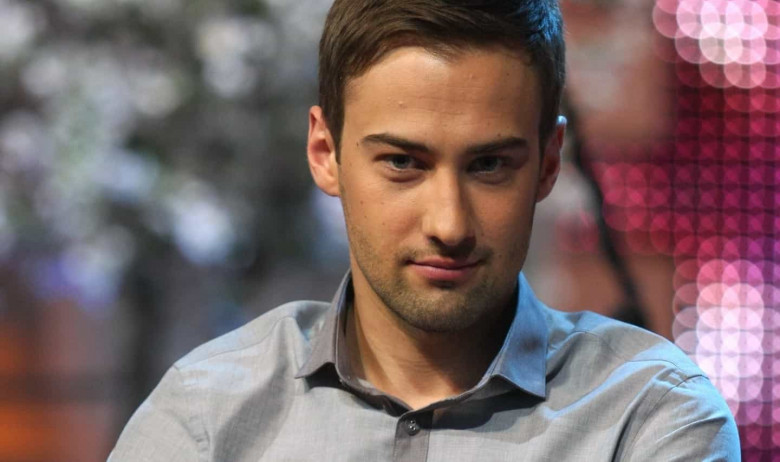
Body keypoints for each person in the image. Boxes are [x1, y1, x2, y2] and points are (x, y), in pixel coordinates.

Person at [109, 0, 741, 460]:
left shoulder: (650, 415)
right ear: (326, 153)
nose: (450, 224)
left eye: (489, 166)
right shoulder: (208, 414)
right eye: (403, 163)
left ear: (549, 164)